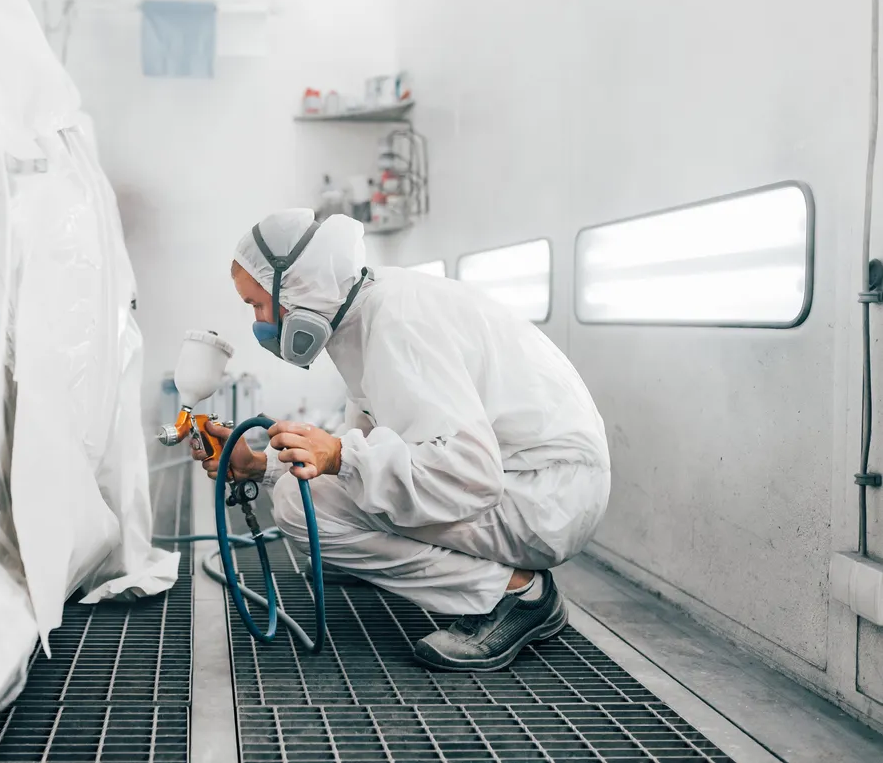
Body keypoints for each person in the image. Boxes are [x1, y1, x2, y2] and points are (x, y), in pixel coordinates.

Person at [192, 208, 610, 672]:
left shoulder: (399, 321)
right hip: (529, 481)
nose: (259, 322)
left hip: (547, 497)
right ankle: (375, 550)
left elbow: (471, 474)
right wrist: (261, 466)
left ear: (296, 286)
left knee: (298, 505)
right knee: (308, 494)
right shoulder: (365, 309)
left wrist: (341, 456)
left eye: (257, 304)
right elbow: (388, 439)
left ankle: (518, 593)